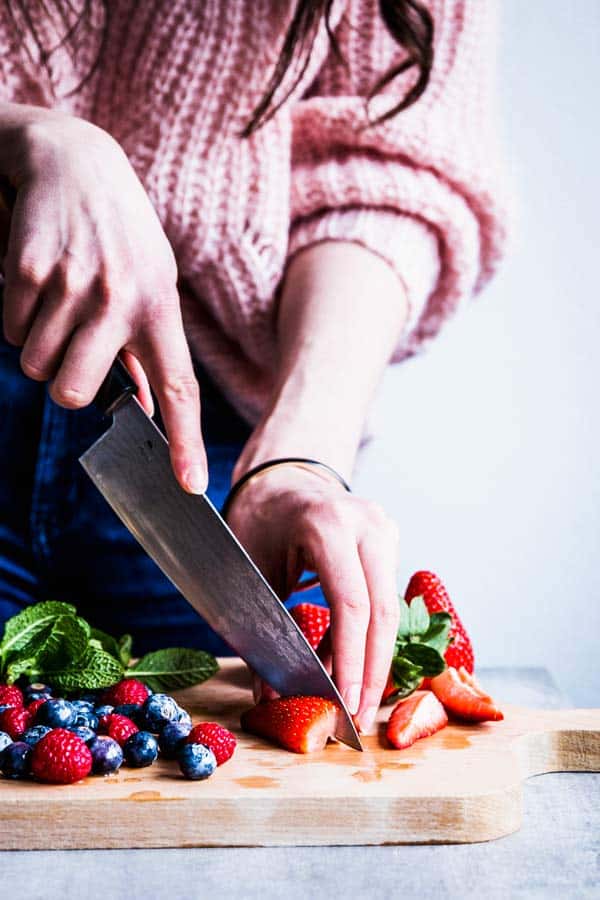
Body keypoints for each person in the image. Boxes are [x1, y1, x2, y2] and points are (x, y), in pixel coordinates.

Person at [0, 1, 507, 735]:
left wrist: (299, 459)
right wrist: (28, 134)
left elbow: (389, 176)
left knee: (209, 793)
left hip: (202, 455)